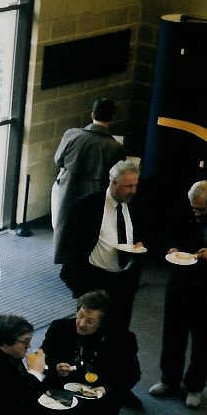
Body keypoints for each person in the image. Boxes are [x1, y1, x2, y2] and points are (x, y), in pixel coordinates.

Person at [150, 180, 207, 409]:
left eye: (200, 209)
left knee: (204, 343)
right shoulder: (185, 208)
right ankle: (168, 380)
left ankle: (195, 387)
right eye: (193, 208)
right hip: (181, 284)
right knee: (172, 337)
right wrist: (171, 248)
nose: (196, 212)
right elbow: (167, 233)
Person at [64, 156, 145, 344]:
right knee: (88, 332)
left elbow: (146, 232)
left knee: (118, 333)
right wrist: (79, 287)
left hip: (124, 281)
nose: (133, 191)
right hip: (94, 279)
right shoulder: (86, 206)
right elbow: (70, 247)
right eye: (128, 186)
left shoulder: (137, 204)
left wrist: (141, 244)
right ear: (113, 183)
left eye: (135, 185)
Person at [51, 97, 125, 292]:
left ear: (92, 114)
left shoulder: (72, 134)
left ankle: (63, 260)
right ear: (112, 117)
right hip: (95, 192)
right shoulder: (115, 147)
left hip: (68, 187)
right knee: (87, 231)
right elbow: (116, 175)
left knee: (64, 224)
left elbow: (58, 160)